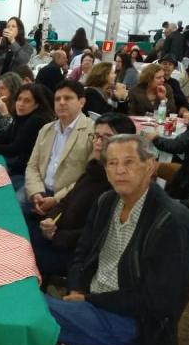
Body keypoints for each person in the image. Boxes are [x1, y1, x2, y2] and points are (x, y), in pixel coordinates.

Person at [46, 134, 189, 345]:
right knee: (34, 315)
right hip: (92, 302)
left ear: (150, 166)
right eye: (112, 163)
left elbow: (157, 301)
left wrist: (88, 299)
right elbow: (81, 253)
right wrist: (77, 288)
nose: (119, 171)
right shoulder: (107, 202)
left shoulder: (170, 222)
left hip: (135, 322)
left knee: (36, 316)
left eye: (129, 162)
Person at [32, 113, 135, 276]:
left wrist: (56, 236)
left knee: (19, 255)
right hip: (59, 239)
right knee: (18, 238)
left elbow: (99, 234)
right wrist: (50, 220)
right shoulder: (94, 170)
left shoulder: (120, 184)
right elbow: (65, 203)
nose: (98, 143)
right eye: (96, 136)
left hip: (81, 258)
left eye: (107, 138)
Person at [25, 80, 94, 217]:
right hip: (40, 190)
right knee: (10, 210)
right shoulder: (46, 129)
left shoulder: (92, 132)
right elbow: (32, 165)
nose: (61, 102)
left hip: (69, 197)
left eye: (68, 98)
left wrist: (56, 199)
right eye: (57, 99)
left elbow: (88, 178)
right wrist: (36, 191)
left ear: (82, 102)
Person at [0, 84, 53, 193]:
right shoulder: (22, 116)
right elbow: (5, 137)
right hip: (16, 166)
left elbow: (13, 150)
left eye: (27, 101)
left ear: (36, 105)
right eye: (19, 99)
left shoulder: (36, 120)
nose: (21, 104)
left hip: (26, 174)